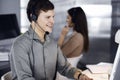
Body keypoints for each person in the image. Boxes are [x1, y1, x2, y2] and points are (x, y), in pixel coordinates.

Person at [9, 0, 92, 80]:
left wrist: (79, 76)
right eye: (48, 17)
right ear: (33, 17)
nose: (52, 21)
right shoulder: (20, 45)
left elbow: (65, 68)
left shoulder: (53, 44)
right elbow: (25, 78)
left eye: (53, 17)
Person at [57, 7, 89, 80]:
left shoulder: (77, 37)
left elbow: (58, 56)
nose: (66, 20)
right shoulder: (75, 35)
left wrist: (62, 35)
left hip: (63, 75)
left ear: (74, 19)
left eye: (68, 18)